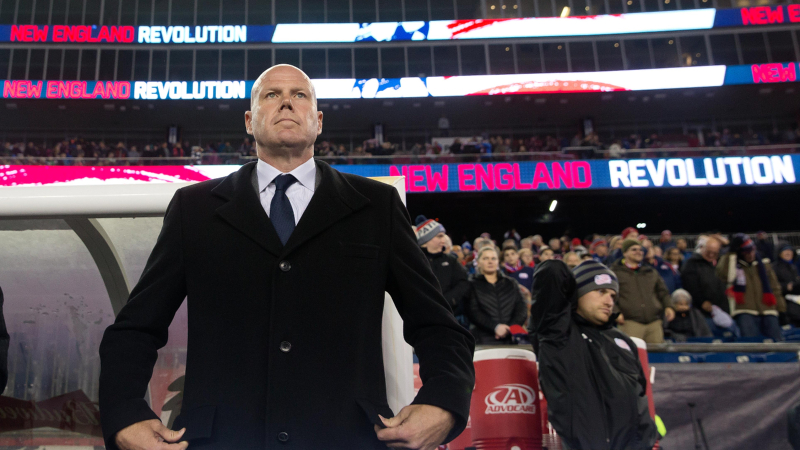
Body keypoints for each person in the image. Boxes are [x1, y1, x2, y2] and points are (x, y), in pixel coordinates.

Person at [99, 65, 475, 450]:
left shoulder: (376, 207)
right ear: (250, 120)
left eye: (299, 95)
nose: (286, 103)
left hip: (346, 437)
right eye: (271, 95)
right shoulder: (194, 209)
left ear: (319, 121)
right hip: (222, 439)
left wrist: (444, 402)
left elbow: (437, 325)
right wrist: (125, 413)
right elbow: (136, 328)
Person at [529, 260, 657, 449]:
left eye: (613, 296)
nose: (609, 301)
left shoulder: (623, 342)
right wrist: (572, 291)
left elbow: (640, 398)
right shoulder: (558, 333)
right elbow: (552, 271)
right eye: (601, 292)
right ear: (578, 292)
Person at [719, 234, 786, 341]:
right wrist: (731, 253)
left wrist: (781, 309)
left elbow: (775, 287)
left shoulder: (764, 264)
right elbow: (725, 275)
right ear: (740, 253)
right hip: (744, 310)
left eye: (752, 250)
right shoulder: (734, 265)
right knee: (751, 344)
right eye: (746, 252)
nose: (750, 254)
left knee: (777, 344)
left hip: (768, 309)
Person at [611, 239, 674, 344]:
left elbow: (663, 291)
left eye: (640, 250)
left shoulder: (650, 271)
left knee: (656, 358)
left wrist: (669, 306)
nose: (638, 252)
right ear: (625, 253)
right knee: (631, 356)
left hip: (654, 322)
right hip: (629, 322)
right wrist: (616, 313)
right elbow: (610, 295)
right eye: (634, 249)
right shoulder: (615, 272)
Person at [415, 216, 471, 329]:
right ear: (426, 240)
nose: (444, 240)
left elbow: (463, 284)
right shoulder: (415, 262)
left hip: (451, 316)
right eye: (439, 236)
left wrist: (445, 302)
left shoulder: (451, 261)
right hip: (422, 319)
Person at [466, 247, 527, 345]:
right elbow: (473, 312)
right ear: (478, 262)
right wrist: (495, 327)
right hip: (482, 339)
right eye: (485, 258)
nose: (490, 261)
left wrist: (509, 329)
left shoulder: (511, 283)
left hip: (511, 338)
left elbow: (521, 309)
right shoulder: (471, 284)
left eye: (493, 258)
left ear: (498, 261)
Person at [775, 245, 800, 326]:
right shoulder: (775, 267)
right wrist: (786, 286)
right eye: (785, 250)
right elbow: (772, 285)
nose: (788, 252)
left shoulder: (793, 267)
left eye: (790, 250)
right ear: (779, 253)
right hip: (784, 303)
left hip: (796, 300)